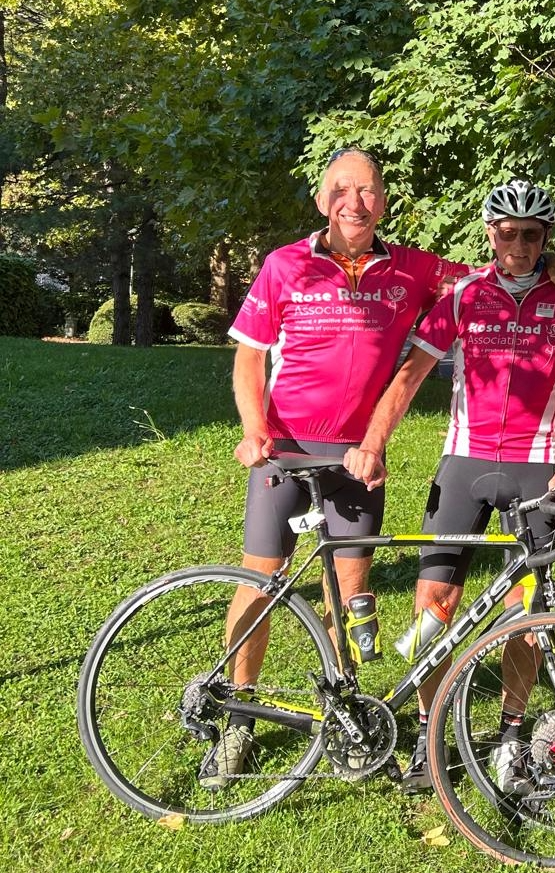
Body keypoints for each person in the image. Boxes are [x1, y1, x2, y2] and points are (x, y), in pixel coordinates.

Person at [205, 148, 470, 789]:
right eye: (342, 190)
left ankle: (340, 713)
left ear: (383, 201)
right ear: (323, 202)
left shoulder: (413, 269)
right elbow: (249, 356)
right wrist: (253, 429)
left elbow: (495, 272)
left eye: (369, 190)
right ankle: (238, 716)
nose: (356, 202)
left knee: (345, 591)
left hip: (358, 454)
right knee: (260, 583)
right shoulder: (286, 265)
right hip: (287, 450)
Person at [344, 179, 555, 792]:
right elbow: (411, 375)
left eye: (531, 234)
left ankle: (511, 735)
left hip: (540, 467)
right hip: (464, 463)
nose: (517, 243)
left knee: (526, 609)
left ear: (546, 238)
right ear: (490, 233)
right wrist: (374, 441)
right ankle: (432, 735)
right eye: (506, 232)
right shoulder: (463, 296)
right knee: (434, 599)